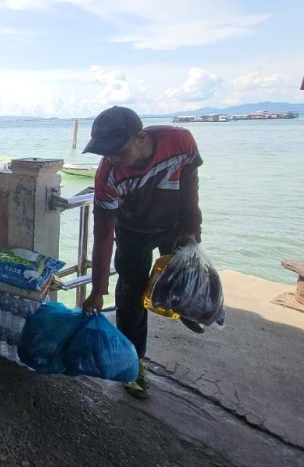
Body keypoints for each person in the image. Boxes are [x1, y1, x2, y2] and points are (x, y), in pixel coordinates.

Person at [81, 106, 204, 400]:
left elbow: (190, 185)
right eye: (104, 153)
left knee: (183, 280)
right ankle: (133, 367)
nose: (111, 159)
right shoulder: (108, 175)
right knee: (131, 298)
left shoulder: (181, 141)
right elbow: (102, 234)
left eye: (117, 151)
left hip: (174, 224)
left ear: (141, 137)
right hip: (132, 231)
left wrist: (193, 231)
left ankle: (187, 308)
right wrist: (99, 290)